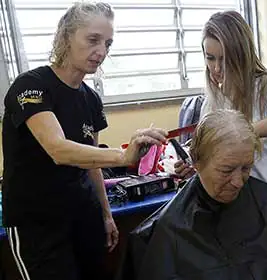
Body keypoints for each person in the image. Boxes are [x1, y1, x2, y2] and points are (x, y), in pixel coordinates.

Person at [1, 2, 167, 280]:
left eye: (108, 44)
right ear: (67, 36)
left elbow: (91, 162)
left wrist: (105, 214)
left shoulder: (90, 99)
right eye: (92, 40)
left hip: (82, 212)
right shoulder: (31, 86)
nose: (101, 52)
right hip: (37, 222)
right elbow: (58, 149)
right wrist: (123, 156)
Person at [117, 109, 267, 280]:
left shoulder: (266, 201)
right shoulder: (164, 232)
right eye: (226, 170)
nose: (238, 182)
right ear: (196, 162)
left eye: (246, 168)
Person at [175, 11, 267, 223]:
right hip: (239, 208)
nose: (217, 68)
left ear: (241, 55)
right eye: (210, 58)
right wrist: (193, 165)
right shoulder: (212, 101)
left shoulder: (266, 86)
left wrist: (244, 131)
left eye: (225, 59)